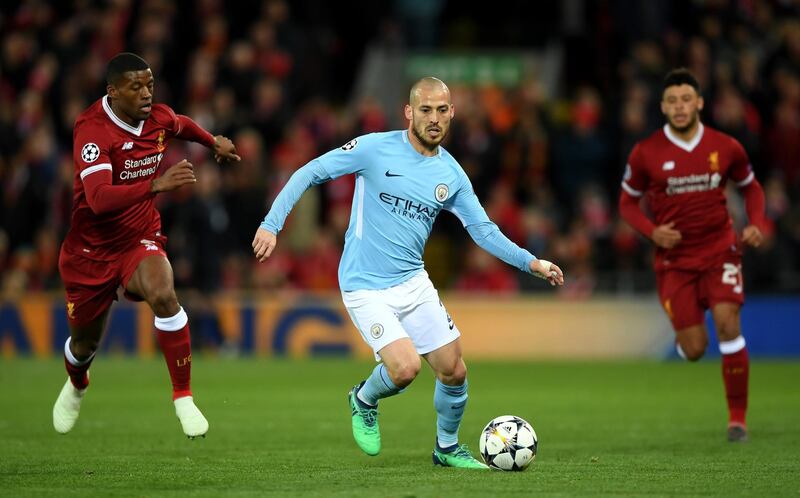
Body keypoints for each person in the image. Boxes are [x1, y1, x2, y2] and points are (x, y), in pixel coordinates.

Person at [252, 77, 564, 467]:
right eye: (426, 110)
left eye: (442, 110)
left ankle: (446, 448)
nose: (434, 118)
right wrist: (272, 223)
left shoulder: (451, 175)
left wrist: (530, 262)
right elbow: (310, 172)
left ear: (452, 113)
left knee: (454, 371)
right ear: (409, 112)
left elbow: (483, 230)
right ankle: (363, 398)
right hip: (364, 284)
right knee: (405, 368)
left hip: (413, 282)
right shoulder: (374, 148)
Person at [53, 52, 241, 438]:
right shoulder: (92, 129)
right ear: (113, 91)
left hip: (139, 238)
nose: (145, 94)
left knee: (164, 293)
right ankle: (77, 380)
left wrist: (212, 143)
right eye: (135, 86)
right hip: (90, 252)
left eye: (150, 84)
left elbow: (181, 124)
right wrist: (156, 184)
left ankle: (183, 396)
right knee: (85, 342)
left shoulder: (156, 117)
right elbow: (100, 198)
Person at [618, 68, 766, 442]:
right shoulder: (646, 152)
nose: (680, 107)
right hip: (675, 263)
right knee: (695, 348)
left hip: (720, 251)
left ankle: (738, 420)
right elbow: (627, 203)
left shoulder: (725, 146)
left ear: (699, 102)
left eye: (686, 99)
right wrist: (653, 232)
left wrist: (757, 222)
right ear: (663, 107)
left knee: (729, 324)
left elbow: (752, 188)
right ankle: (686, 342)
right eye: (672, 101)